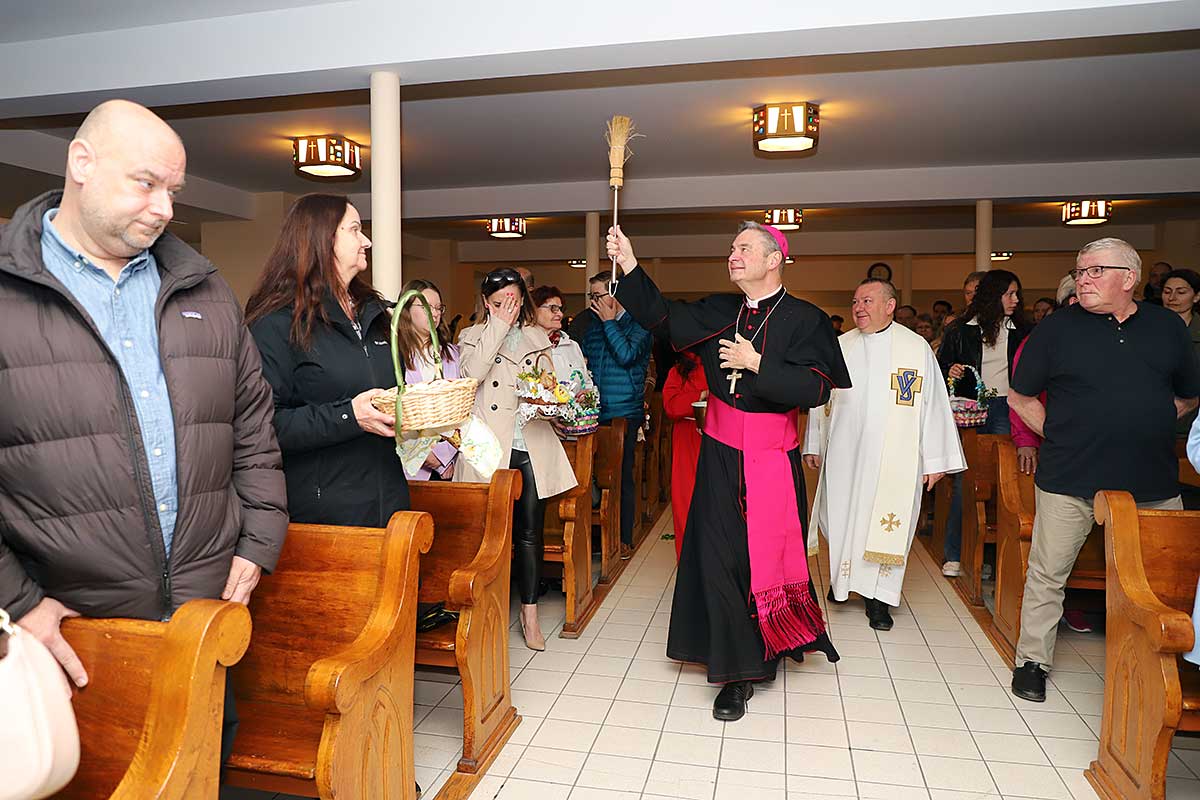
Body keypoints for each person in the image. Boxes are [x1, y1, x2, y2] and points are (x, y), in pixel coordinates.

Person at [0, 100, 288, 765]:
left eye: (173, 191)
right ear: (81, 163)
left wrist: (258, 540)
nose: (164, 208)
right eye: (146, 183)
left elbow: (252, 427)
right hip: (67, 631)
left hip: (201, 615)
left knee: (206, 769)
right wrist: (17, 603)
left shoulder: (203, 290)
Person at [607, 221, 851, 722]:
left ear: (773, 259)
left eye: (744, 248)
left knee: (759, 560)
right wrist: (629, 263)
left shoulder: (805, 319)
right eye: (732, 248)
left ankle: (768, 645)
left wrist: (758, 363)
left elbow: (817, 390)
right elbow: (662, 317)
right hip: (718, 452)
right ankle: (737, 672)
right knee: (719, 557)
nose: (733, 255)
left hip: (771, 455)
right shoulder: (720, 310)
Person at [1008, 238, 1200, 703]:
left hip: (1150, 480)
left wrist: (1150, 422)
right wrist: (1060, 433)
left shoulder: (1166, 327)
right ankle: (1032, 662)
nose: (1083, 279)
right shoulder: (1056, 329)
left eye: (1095, 270)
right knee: (1048, 573)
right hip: (1069, 477)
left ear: (1129, 278)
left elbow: (1189, 395)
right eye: (1080, 271)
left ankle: (1159, 665)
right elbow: (1020, 396)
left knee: (1163, 579)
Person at [803, 280, 964, 630]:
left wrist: (935, 460)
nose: (858, 307)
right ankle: (843, 582)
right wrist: (813, 442)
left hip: (895, 458)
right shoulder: (840, 346)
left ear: (890, 306)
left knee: (886, 523)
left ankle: (879, 599)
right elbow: (820, 399)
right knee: (840, 517)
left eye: (867, 301)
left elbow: (933, 405)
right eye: (855, 301)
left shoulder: (915, 348)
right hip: (845, 453)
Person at [247, 194, 413, 522]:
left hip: (389, 502)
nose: (367, 241)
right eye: (355, 230)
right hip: (326, 515)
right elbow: (265, 425)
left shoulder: (374, 314)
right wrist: (349, 416)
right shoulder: (277, 323)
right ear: (323, 240)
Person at [456, 269, 577, 651]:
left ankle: (529, 613)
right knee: (485, 533)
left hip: (529, 440)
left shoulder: (537, 337)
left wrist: (551, 402)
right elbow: (471, 377)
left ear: (523, 299)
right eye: (499, 302)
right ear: (486, 302)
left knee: (529, 533)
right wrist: (497, 326)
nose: (508, 307)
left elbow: (548, 386)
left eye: (513, 300)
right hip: (488, 445)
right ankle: (480, 610)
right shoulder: (471, 336)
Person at [937, 269, 1033, 577]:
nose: (1015, 300)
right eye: (1009, 294)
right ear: (993, 296)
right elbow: (939, 367)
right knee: (967, 482)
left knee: (1004, 484)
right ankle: (955, 554)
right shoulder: (961, 329)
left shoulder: (1023, 330)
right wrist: (950, 369)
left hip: (1009, 408)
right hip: (971, 408)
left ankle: (990, 557)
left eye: (1017, 294)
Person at [569, 271, 652, 560]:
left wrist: (609, 323)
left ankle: (624, 538)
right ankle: (597, 539)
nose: (594, 302)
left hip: (624, 411)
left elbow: (626, 355)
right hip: (594, 411)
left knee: (620, 477)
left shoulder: (640, 324)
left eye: (599, 296)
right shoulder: (591, 326)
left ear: (616, 295)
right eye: (591, 296)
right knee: (592, 476)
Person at [395, 278, 462, 480]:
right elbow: (394, 416)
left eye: (438, 307)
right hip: (408, 469)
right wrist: (428, 458)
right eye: (426, 306)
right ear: (406, 310)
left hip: (451, 464)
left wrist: (444, 458)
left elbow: (463, 411)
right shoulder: (394, 355)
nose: (435, 313)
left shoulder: (453, 354)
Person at [661, 350, 708, 559]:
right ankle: (688, 562)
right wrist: (700, 395)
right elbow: (671, 406)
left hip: (718, 437)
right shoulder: (678, 371)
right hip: (687, 438)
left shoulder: (721, 365)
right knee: (685, 502)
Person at [531, 283, 596, 404]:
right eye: (553, 308)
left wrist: (586, 395)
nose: (560, 314)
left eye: (560, 309)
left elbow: (587, 383)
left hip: (572, 414)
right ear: (534, 310)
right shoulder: (525, 346)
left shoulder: (572, 346)